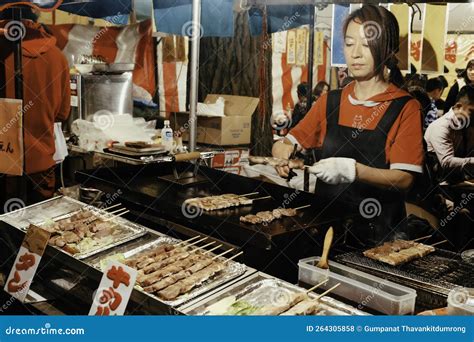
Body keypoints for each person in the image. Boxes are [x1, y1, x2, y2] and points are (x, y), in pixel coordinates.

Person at [272, 5, 424, 247]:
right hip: (325, 228)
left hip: (379, 235)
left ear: (387, 49)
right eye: (350, 43)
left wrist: (353, 170)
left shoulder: (405, 107)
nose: (355, 54)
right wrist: (282, 153)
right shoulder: (329, 101)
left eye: (366, 44)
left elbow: (404, 179)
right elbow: (287, 142)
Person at [0, 6, 71, 206]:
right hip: (40, 169)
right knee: (36, 233)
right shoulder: (57, 56)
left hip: (3, 167)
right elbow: (62, 113)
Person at [424, 85, 474, 184]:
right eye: (472, 111)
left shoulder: (468, 125)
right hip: (440, 185)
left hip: (460, 180)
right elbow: (447, 162)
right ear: (459, 106)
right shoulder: (441, 126)